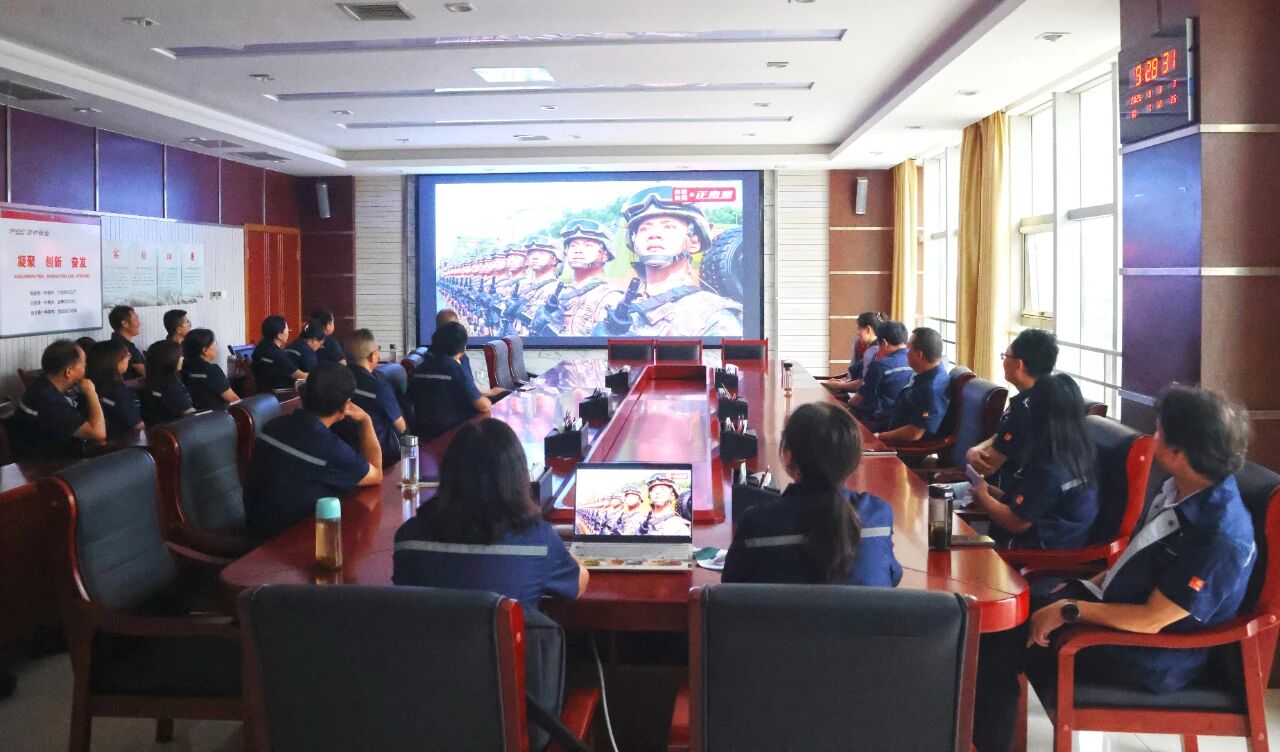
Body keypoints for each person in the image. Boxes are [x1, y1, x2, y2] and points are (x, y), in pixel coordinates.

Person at [973, 386, 1257, 752]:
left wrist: (1068, 610)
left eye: (1159, 432)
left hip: (1146, 656)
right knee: (994, 624)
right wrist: (1077, 590)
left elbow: (1152, 620)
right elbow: (1134, 561)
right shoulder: (1181, 488)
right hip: (1113, 615)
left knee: (995, 646)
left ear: (1178, 454)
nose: (1154, 436)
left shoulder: (1219, 535)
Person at [392, 418, 588, 611]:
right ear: (517, 477)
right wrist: (572, 556)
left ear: (448, 472)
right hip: (506, 635)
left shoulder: (407, 540)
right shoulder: (539, 542)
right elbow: (578, 586)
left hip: (429, 634)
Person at [723, 402, 902, 587]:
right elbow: (891, 575)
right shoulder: (878, 515)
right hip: (864, 608)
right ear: (854, 458)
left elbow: (731, 589)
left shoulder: (756, 524)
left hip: (784, 608)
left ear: (788, 456)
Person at [242, 362, 383, 538]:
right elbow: (376, 474)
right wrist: (366, 420)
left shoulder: (272, 426)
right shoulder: (329, 449)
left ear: (303, 393)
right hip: (287, 540)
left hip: (255, 527)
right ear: (346, 405)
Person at [968, 373, 1099, 550]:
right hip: (1049, 540)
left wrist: (983, 498)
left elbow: (1016, 522)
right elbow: (1031, 504)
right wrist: (991, 493)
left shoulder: (1050, 467)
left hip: (1040, 555)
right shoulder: (1077, 450)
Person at [602, 186, 742, 337]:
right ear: (633, 242)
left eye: (669, 227)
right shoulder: (618, 305)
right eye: (644, 229)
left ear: (694, 241)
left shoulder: (714, 316)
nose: (654, 234)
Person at [968, 329, 1059, 490]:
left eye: (1006, 356)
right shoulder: (1043, 396)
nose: (1003, 361)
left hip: (1007, 495)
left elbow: (986, 466)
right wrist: (976, 449)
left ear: (1018, 364)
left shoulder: (1026, 410)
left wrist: (971, 454)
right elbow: (1002, 434)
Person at [11, 340, 106, 458]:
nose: (85, 369)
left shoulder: (40, 384)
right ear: (69, 371)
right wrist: (92, 393)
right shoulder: (49, 401)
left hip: (40, 453)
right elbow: (99, 433)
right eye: (84, 364)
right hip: (50, 463)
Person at [408, 321, 500, 440]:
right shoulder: (455, 370)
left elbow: (410, 401)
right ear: (463, 348)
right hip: (453, 433)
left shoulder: (419, 369)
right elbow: (483, 406)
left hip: (423, 433)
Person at [343, 328, 407, 468]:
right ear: (373, 356)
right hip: (381, 457)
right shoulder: (379, 388)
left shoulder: (336, 380)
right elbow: (401, 426)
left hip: (344, 452)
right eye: (379, 349)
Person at [875, 327, 950, 443]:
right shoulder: (928, 372)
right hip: (889, 424)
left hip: (901, 445)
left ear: (919, 355)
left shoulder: (932, 389)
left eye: (908, 348)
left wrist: (880, 436)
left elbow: (914, 433)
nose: (905, 351)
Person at [557, 219, 624, 336]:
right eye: (573, 245)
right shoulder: (560, 293)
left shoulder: (611, 297)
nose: (578, 250)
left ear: (605, 255)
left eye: (588, 245)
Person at [849, 320, 913, 429]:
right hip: (905, 421)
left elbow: (859, 399)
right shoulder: (915, 361)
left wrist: (848, 402)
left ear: (884, 343)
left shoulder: (880, 366)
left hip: (880, 423)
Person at [86, 340, 143, 437]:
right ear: (114, 361)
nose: (129, 358)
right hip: (124, 441)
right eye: (126, 355)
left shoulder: (90, 385)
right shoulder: (119, 392)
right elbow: (138, 426)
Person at [823, 311, 884, 394]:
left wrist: (840, 385)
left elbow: (862, 384)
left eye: (859, 329)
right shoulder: (878, 347)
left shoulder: (872, 351)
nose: (858, 333)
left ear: (868, 329)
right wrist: (844, 383)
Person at [514, 236, 564, 335]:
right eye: (531, 253)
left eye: (541, 253)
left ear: (555, 259)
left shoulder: (560, 290)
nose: (534, 257)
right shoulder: (523, 287)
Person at [181, 328, 239, 410]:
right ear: (205, 350)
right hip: (215, 415)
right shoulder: (212, 371)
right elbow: (234, 399)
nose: (215, 346)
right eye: (213, 343)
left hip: (192, 415)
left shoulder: (182, 367)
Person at [139, 340, 195, 425]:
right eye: (180, 356)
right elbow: (192, 415)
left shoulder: (151, 381)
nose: (183, 358)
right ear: (170, 359)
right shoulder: (171, 388)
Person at [251, 315, 308, 392]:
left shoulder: (260, 348)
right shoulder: (276, 354)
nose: (289, 332)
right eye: (287, 329)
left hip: (263, 392)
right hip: (280, 394)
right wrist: (319, 374)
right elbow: (300, 376)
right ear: (279, 335)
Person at [108, 305, 145, 378]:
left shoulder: (114, 343)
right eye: (135, 319)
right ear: (125, 324)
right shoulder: (123, 348)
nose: (139, 323)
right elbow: (144, 371)